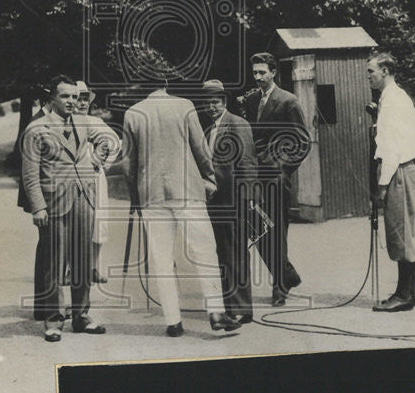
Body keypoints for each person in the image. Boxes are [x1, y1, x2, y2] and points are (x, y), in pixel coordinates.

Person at [122, 79, 240, 337]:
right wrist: (209, 178)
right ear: (165, 82)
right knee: (205, 252)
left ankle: (173, 321)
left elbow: (127, 163)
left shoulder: (133, 113)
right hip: (187, 191)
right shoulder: (184, 106)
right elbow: (200, 148)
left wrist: (135, 197)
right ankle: (217, 313)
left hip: (151, 195)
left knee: (161, 259)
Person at [20, 75, 106, 341]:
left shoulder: (83, 122)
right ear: (52, 98)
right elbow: (30, 174)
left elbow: (106, 138)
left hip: (84, 199)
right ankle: (54, 320)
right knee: (54, 264)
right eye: (65, 96)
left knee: (83, 261)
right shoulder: (37, 128)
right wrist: (37, 207)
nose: (71, 102)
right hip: (55, 203)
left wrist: (97, 158)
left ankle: (81, 316)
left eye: (74, 97)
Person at [240, 52, 310, 306]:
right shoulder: (251, 100)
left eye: (262, 73)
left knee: (277, 231)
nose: (257, 77)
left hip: (276, 179)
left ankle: (279, 286)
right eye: (255, 73)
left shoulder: (288, 101)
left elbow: (302, 142)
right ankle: (287, 274)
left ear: (273, 73)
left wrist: (282, 168)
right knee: (256, 229)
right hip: (253, 177)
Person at [367, 51, 415, 312]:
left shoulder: (391, 102)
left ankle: (403, 295)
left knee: (399, 232)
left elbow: (391, 148)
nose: (368, 76)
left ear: (385, 71)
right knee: (408, 231)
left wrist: (382, 186)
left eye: (371, 71)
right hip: (407, 169)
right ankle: (413, 291)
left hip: (397, 172)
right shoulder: (399, 97)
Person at [201, 79, 258, 325]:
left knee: (236, 254)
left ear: (224, 102)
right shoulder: (208, 129)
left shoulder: (237, 124)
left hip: (235, 200)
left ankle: (242, 309)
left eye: (216, 101)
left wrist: (247, 200)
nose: (212, 106)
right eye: (208, 102)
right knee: (222, 254)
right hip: (215, 202)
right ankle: (228, 305)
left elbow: (247, 164)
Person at [73, 81, 121, 284]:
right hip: (74, 178)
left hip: (95, 176)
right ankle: (71, 268)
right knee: (76, 222)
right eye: (78, 99)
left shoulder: (96, 122)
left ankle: (92, 266)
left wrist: (103, 164)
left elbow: (116, 142)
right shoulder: (66, 122)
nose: (83, 104)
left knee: (99, 222)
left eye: (85, 99)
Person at [17, 89, 52, 321]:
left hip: (42, 194)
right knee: (48, 249)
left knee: (47, 248)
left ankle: (45, 305)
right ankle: (44, 306)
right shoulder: (39, 121)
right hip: (42, 194)